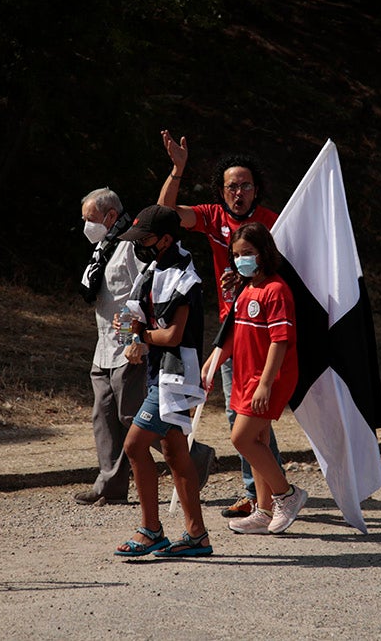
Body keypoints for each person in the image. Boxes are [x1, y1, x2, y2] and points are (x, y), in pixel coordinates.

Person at [157, 129, 284, 519]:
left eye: (245, 185)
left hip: (266, 329)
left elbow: (287, 273)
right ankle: (264, 492)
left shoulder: (272, 223)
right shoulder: (214, 218)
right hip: (232, 328)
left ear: (256, 189)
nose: (238, 192)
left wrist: (248, 281)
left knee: (249, 413)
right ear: (222, 191)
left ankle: (272, 494)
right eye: (231, 186)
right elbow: (162, 215)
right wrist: (177, 170)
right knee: (239, 412)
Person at [75, 188, 214, 507]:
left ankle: (196, 455)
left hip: (130, 346)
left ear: (110, 216)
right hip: (104, 345)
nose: (87, 225)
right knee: (104, 415)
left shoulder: (133, 247)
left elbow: (147, 295)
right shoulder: (104, 247)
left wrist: (139, 336)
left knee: (130, 416)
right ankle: (110, 486)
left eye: (91, 219)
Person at [113, 204, 212, 557]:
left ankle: (152, 530)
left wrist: (141, 338)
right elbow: (131, 317)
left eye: (145, 239)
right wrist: (129, 334)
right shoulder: (152, 269)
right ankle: (197, 535)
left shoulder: (186, 276)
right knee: (174, 453)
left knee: (134, 446)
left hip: (176, 375)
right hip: (158, 374)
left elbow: (172, 336)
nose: (139, 246)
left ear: (166, 239)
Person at [201, 222, 307, 534]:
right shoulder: (247, 290)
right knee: (257, 439)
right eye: (236, 254)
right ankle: (263, 510)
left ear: (264, 252)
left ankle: (286, 494)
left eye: (248, 252)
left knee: (241, 438)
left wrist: (265, 383)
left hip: (269, 379)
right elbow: (233, 336)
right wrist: (212, 362)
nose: (242, 259)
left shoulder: (276, 290)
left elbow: (280, 341)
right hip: (245, 376)